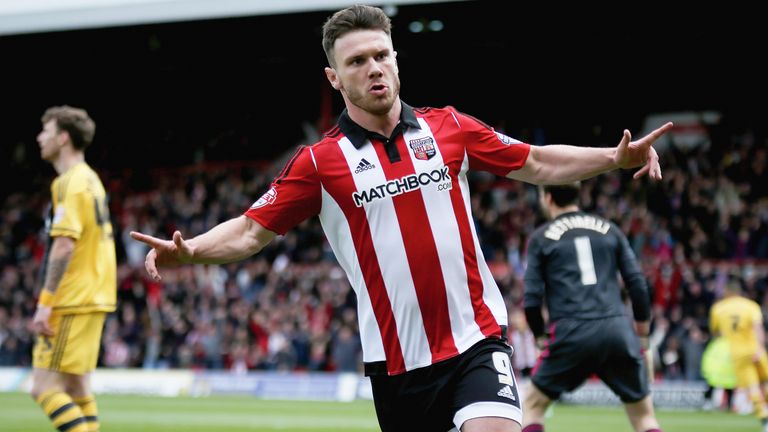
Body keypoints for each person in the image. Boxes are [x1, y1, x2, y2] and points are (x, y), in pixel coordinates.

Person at [130, 5, 672, 431]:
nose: (374, 68)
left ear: (395, 59)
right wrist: (193, 248)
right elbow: (251, 229)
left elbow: (535, 160)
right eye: (356, 62)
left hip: (476, 339)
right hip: (396, 363)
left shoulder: (450, 128)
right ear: (334, 78)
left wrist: (613, 158)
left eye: (381, 55)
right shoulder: (319, 164)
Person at [521, 182, 662, 432]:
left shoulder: (541, 237)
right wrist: (642, 338)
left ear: (548, 197)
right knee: (644, 417)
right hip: (616, 330)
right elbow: (638, 285)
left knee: (532, 407)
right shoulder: (610, 229)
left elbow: (531, 299)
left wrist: (540, 337)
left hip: (571, 331)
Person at [31, 105, 116, 432]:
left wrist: (45, 302)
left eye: (46, 131)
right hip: (95, 294)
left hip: (72, 297)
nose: (40, 138)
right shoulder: (92, 180)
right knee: (77, 388)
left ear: (63, 138)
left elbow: (65, 244)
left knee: (43, 387)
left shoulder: (69, 182)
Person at [709, 278, 768, 431]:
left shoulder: (718, 308)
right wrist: (760, 348)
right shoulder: (751, 306)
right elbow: (758, 329)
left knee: (752, 387)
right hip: (756, 349)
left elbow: (715, 332)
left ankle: (764, 420)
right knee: (765, 383)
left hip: (738, 353)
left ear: (726, 292)